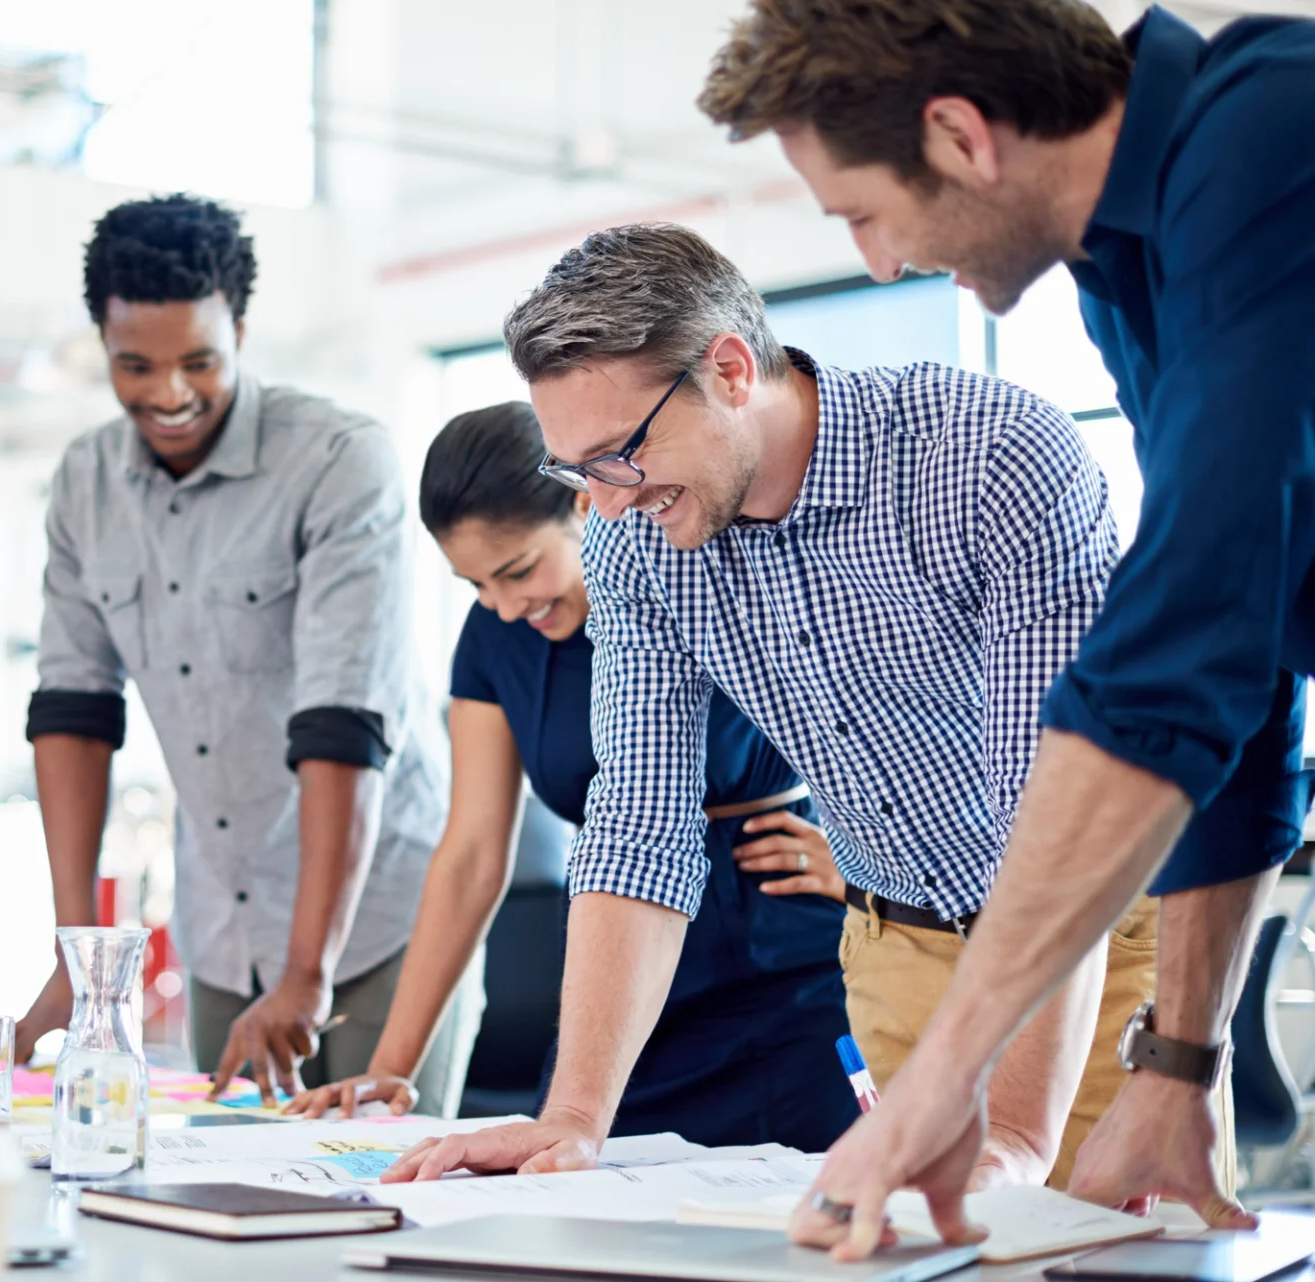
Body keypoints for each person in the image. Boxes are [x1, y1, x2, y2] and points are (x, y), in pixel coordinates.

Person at [697, 0, 1315, 1252]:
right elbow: (1248, 659)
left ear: (962, 135)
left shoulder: (1273, 136)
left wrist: (939, 1087)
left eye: (863, 213)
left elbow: (1176, 645)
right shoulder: (1125, 276)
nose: (875, 262)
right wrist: (1181, 1064)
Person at [384, 222, 1166, 1194]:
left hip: (1094, 943)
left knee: (1108, 1254)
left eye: (620, 454)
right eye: (576, 472)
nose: (609, 504)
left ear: (729, 368)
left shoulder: (982, 458)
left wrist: (1011, 1133)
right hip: (892, 947)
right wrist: (576, 1119)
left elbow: (1054, 814)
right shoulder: (638, 544)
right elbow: (640, 817)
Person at [286, 403, 856, 1151]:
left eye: (519, 569)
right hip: (617, 965)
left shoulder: (693, 570)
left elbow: (869, 722)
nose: (505, 605)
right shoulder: (496, 635)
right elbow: (469, 857)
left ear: (587, 499)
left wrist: (859, 866)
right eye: (476, 584)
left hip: (784, 970)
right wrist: (389, 1069)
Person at [16, 195, 468, 1110]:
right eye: (134, 365)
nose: (169, 394)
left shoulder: (340, 460)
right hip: (222, 920)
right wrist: (75, 957)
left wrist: (309, 971)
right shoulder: (86, 484)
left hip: (379, 919)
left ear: (242, 332)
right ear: (102, 341)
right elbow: (73, 713)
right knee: (220, 1208)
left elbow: (346, 720)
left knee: (387, 1204)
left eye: (200, 362)